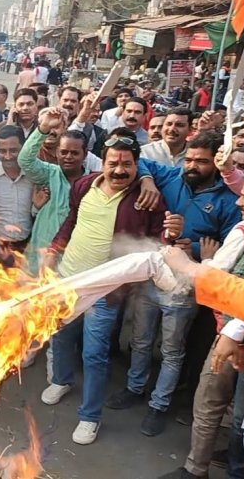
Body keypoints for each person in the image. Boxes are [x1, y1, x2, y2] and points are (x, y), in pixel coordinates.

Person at [160, 168, 244, 479]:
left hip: (239, 332)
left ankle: (196, 470)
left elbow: (233, 282)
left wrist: (197, 265)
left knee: (209, 403)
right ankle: (238, 469)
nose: (239, 203)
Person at [41, 133, 170, 446]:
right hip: (67, 279)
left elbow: (157, 242)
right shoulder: (84, 185)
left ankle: (90, 417)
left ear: (137, 165)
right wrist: (54, 248)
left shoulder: (148, 196)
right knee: (61, 335)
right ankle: (61, 379)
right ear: (103, 162)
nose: (120, 170)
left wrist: (171, 236)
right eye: (114, 163)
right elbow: (73, 220)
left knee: (94, 354)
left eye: (127, 164)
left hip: (106, 291)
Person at [112, 132, 241, 437]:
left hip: (185, 287)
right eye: (190, 159)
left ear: (217, 164)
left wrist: (191, 249)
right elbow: (137, 162)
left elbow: (228, 247)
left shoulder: (229, 199)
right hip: (151, 274)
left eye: (202, 161)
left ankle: (159, 405)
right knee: (141, 340)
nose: (193, 166)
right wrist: (145, 180)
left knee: (171, 350)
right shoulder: (171, 175)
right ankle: (135, 387)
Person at [0, 125, 39, 267]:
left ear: (24, 149)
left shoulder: (34, 175)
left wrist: (37, 207)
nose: (7, 156)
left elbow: (37, 211)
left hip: (26, 247)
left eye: (13, 151)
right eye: (2, 151)